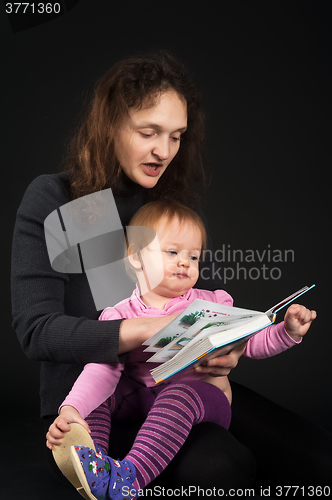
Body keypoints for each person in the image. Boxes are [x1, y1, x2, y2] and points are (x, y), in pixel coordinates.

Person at [11, 50, 332, 496]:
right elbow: (37, 331)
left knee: (318, 460)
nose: (164, 151)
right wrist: (146, 329)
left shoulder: (170, 206)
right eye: (149, 133)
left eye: (176, 136)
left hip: (175, 388)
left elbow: (197, 305)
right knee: (220, 469)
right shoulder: (59, 200)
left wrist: (226, 349)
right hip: (92, 397)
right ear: (110, 126)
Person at [45, 200, 316, 500]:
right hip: (138, 398)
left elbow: (251, 341)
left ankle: (130, 477)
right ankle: (93, 462)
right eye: (172, 252)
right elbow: (101, 369)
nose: (185, 262)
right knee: (98, 396)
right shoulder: (118, 314)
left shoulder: (211, 305)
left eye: (194, 256)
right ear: (135, 258)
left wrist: (286, 331)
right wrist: (72, 409)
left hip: (197, 398)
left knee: (179, 393)